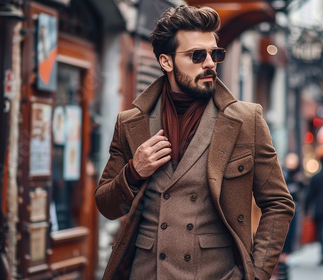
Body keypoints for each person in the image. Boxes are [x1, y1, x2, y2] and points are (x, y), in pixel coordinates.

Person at [95, 5, 295, 280]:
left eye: (215, 54)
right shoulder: (131, 123)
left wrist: (254, 274)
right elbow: (106, 206)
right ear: (166, 62)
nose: (210, 63)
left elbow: (278, 204)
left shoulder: (245, 121)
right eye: (197, 55)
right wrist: (133, 172)